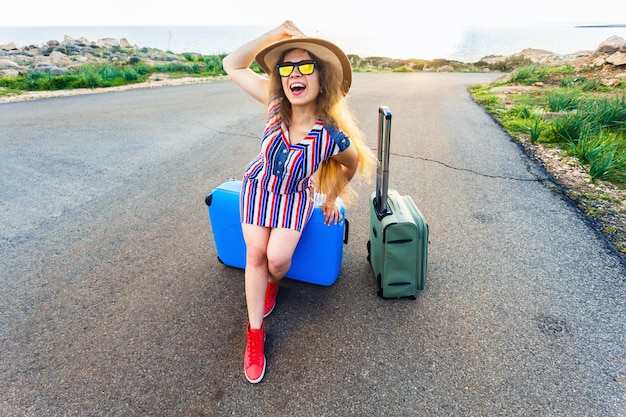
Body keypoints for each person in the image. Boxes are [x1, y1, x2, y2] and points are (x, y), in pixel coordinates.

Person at [222, 20, 375, 384]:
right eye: (287, 67)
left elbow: (353, 164)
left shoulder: (331, 133)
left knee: (277, 260)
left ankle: (273, 282)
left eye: (305, 66)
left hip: (294, 198)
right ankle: (255, 333)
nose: (295, 73)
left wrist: (333, 197)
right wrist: (274, 35)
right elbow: (232, 64)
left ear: (321, 78)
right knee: (256, 253)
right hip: (258, 188)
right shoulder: (275, 103)